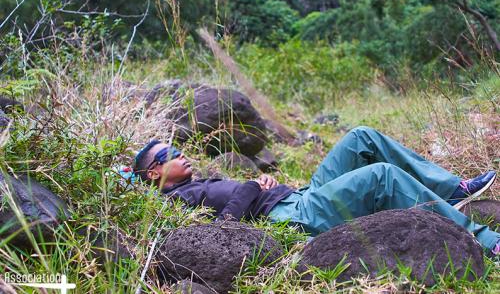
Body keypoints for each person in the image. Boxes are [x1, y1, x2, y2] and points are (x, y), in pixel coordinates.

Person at [132, 126, 499, 256]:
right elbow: (225, 226)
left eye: (178, 150)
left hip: (300, 195)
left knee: (360, 137)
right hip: (294, 215)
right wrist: (253, 185)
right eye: (170, 155)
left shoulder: (194, 186)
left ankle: (450, 189)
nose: (181, 156)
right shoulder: (175, 200)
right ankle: (485, 242)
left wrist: (260, 186)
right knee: (381, 176)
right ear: (153, 174)